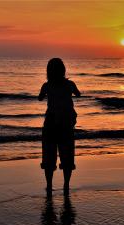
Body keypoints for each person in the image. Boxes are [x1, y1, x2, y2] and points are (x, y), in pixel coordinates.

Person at [38, 58, 81, 192]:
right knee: (67, 156)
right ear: (63, 70)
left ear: (48, 71)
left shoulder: (47, 85)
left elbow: (40, 98)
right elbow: (78, 95)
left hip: (50, 123)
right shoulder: (70, 84)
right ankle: (66, 185)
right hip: (66, 123)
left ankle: (49, 185)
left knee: (49, 157)